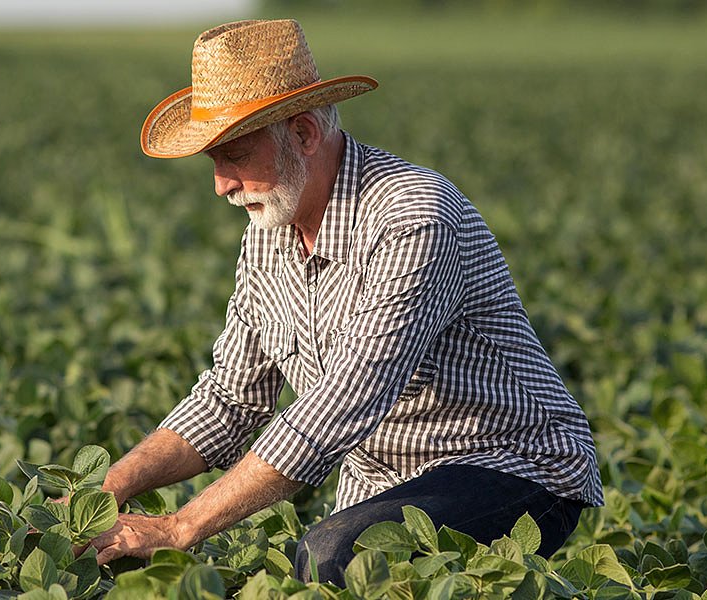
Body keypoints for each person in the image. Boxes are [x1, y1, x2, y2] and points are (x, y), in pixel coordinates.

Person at [88, 19, 603, 585]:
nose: (221, 184)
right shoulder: (268, 232)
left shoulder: (413, 216)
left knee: (332, 556)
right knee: (290, 562)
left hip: (511, 465)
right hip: (384, 485)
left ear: (304, 133)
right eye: (213, 161)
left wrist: (182, 526)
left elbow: (348, 399)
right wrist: (106, 489)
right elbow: (232, 397)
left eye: (233, 154)